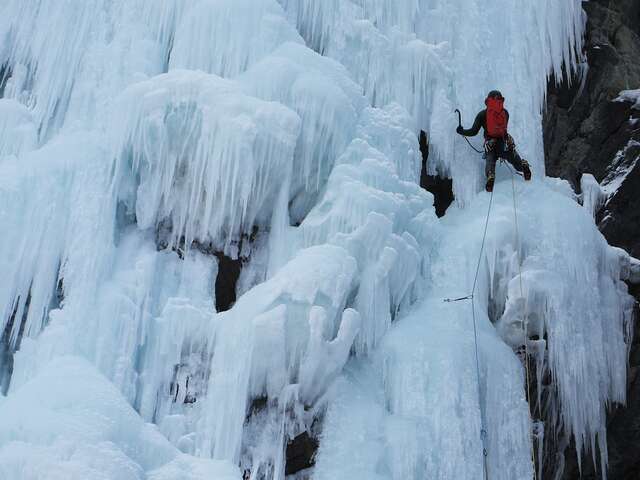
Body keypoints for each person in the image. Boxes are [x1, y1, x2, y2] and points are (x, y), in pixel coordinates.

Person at [456, 90, 531, 192]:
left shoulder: (482, 115)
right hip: (503, 142)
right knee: (511, 156)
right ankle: (522, 165)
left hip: (490, 143)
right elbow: (503, 130)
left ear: (487, 101)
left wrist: (462, 131)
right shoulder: (505, 113)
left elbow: (473, 132)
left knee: (490, 160)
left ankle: (490, 175)